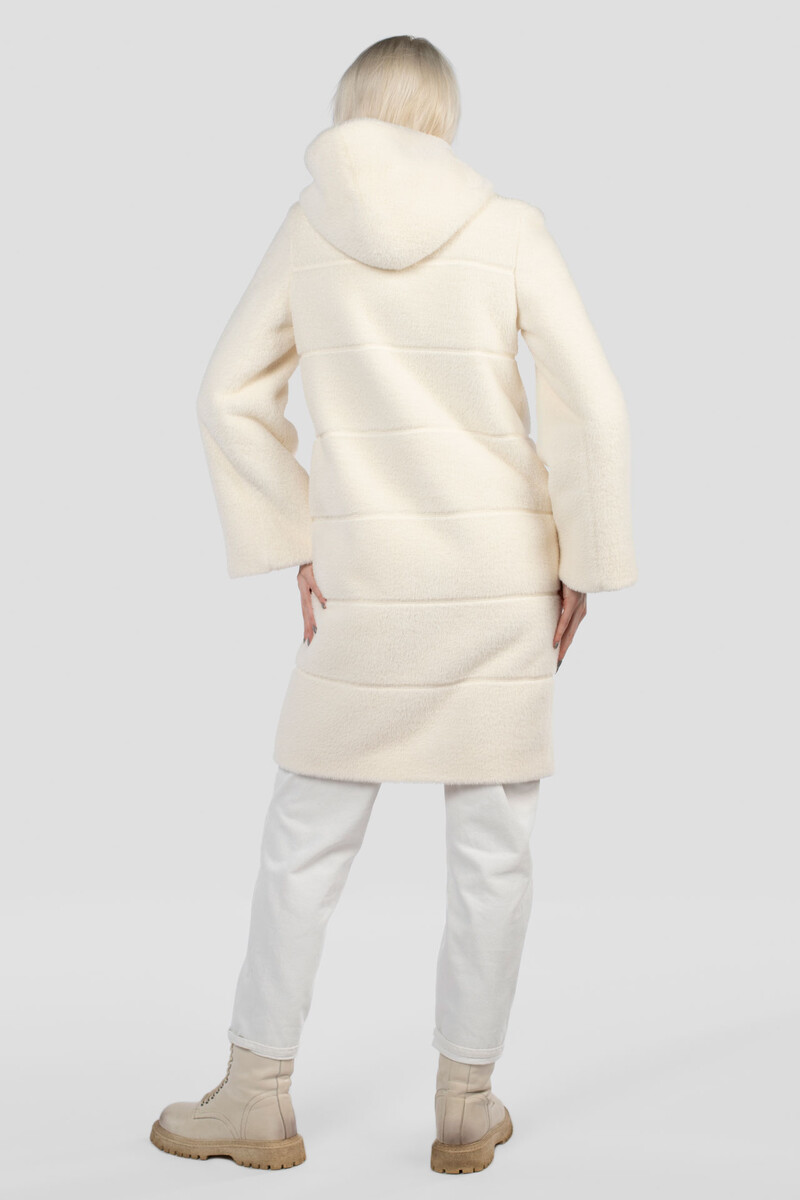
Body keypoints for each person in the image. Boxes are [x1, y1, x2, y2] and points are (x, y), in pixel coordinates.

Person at [149, 34, 637, 1175]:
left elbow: (225, 394)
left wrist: (297, 533)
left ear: (352, 109)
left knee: (303, 840)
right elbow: (594, 408)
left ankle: (254, 1095)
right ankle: (466, 1105)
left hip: (370, 582)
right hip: (499, 576)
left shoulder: (309, 228)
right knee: (494, 850)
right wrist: (583, 561)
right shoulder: (508, 226)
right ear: (441, 115)